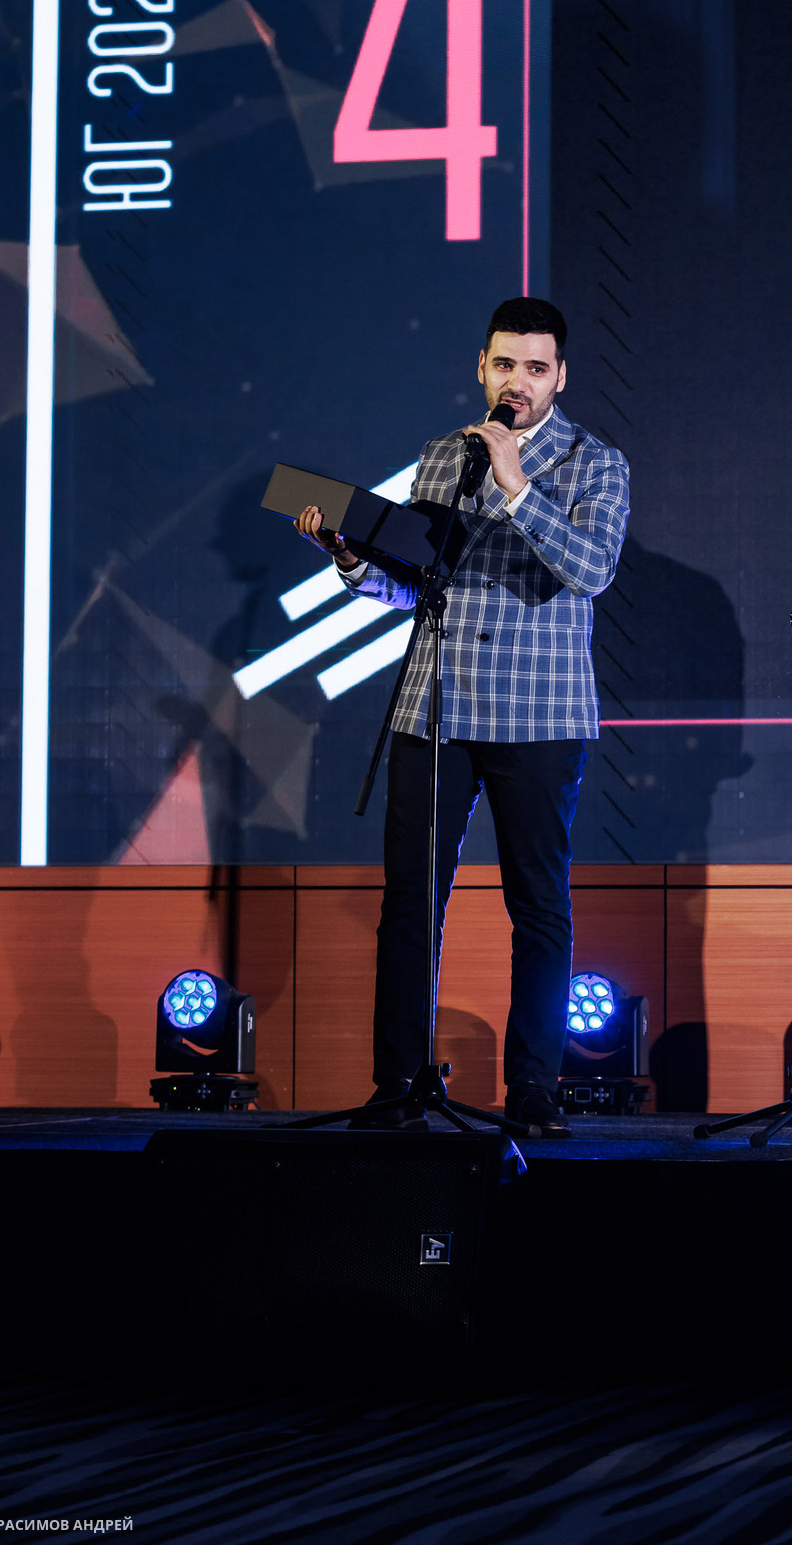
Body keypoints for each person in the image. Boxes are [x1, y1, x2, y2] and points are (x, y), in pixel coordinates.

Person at [294, 297, 630, 1138]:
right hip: (435, 702)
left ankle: (535, 1088)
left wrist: (517, 485)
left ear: (560, 377)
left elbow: (591, 569)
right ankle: (399, 1083)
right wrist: (351, 558)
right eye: (505, 364)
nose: (518, 382)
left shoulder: (594, 462)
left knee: (538, 905)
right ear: (482, 367)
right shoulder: (444, 454)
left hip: (539, 712)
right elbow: (417, 586)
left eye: (536, 368)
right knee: (411, 900)